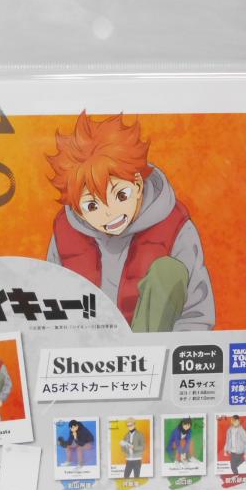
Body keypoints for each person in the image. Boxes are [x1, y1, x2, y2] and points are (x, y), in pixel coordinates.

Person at [46, 111, 215, 332]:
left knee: (168, 270)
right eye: (92, 206)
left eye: (121, 195)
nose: (110, 213)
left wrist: (168, 350)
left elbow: (197, 313)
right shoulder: (65, 233)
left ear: (137, 184)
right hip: (88, 345)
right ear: (78, 208)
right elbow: (49, 305)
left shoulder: (175, 226)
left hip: (152, 346)